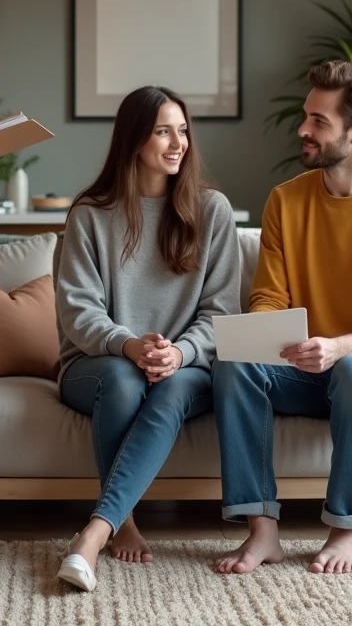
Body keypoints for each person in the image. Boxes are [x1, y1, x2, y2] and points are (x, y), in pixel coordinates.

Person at [212, 60, 352, 577]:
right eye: (305, 116)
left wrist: (339, 347)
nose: (303, 129)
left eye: (319, 121)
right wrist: (276, 338)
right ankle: (262, 530)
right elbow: (268, 296)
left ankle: (346, 529)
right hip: (307, 364)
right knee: (233, 363)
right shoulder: (285, 201)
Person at [55, 86, 242, 592]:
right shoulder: (91, 214)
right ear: (134, 138)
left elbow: (221, 312)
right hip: (99, 365)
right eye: (163, 131)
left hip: (186, 366)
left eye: (182, 130)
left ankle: (94, 532)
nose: (177, 142)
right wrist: (129, 345)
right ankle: (127, 520)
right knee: (122, 379)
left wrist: (179, 353)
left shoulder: (213, 211)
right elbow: (77, 310)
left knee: (176, 386)